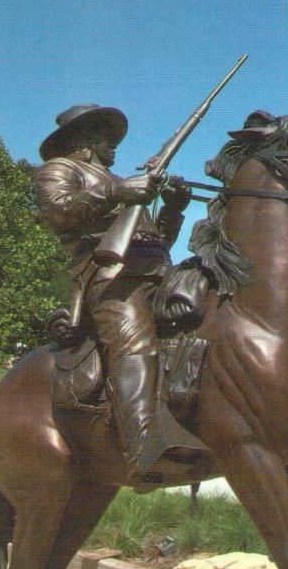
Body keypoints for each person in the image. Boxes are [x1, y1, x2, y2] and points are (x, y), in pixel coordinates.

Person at [36, 103, 200, 480]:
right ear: (83, 141)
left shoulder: (120, 182)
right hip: (110, 279)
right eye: (105, 136)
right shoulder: (59, 170)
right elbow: (56, 212)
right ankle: (144, 450)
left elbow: (156, 241)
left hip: (157, 270)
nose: (114, 144)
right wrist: (116, 191)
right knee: (134, 342)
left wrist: (173, 209)